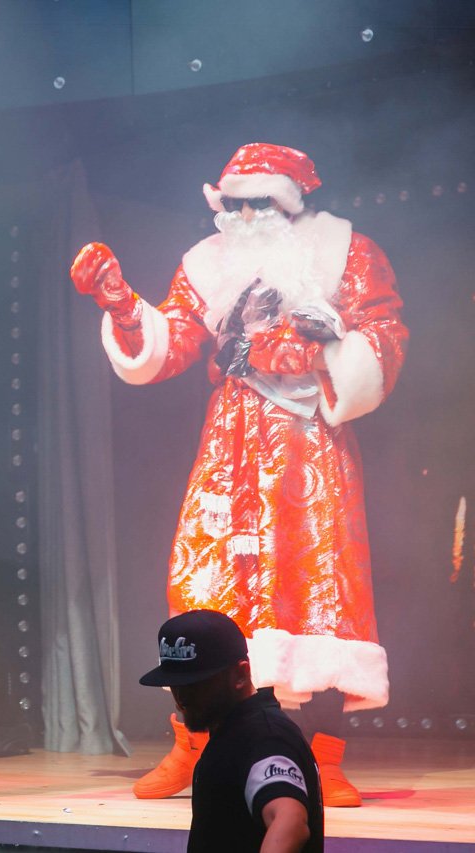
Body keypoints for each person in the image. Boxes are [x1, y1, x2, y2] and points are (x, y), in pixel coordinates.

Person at [70, 143, 408, 806]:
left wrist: (318, 346)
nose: (245, 216)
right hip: (231, 444)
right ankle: (193, 747)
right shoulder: (207, 263)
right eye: (234, 204)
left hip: (310, 441)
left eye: (259, 203)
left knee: (319, 587)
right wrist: (123, 307)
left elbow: (383, 332)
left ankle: (323, 758)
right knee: (206, 586)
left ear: (289, 202)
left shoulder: (346, 252)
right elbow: (173, 343)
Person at [140, 609, 323, 853]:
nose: (182, 697)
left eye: (196, 684)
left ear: (240, 675)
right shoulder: (237, 732)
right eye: (175, 684)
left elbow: (291, 823)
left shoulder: (265, 737)